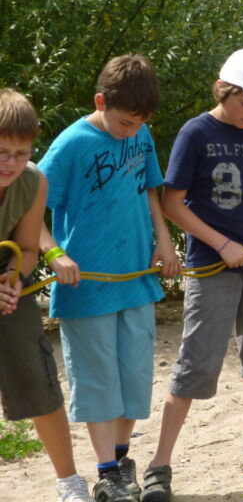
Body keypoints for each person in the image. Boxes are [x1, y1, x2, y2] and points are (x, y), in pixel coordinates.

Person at [139, 50, 243, 501]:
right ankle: (160, 464)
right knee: (196, 363)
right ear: (225, 91)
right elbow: (174, 204)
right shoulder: (196, 132)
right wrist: (222, 244)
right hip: (212, 268)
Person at [38, 55, 180, 502]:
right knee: (98, 379)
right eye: (123, 122)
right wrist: (53, 252)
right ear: (101, 102)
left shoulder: (141, 133)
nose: (131, 131)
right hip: (87, 288)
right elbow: (28, 207)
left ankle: (120, 461)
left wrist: (164, 240)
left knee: (135, 378)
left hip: (136, 277)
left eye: (139, 123)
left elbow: (150, 189)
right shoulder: (71, 144)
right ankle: (105, 473)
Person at [0, 89, 94, 502]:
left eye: (22, 152)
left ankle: (69, 483)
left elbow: (27, 248)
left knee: (39, 379)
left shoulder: (34, 180)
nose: (12, 163)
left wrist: (12, 282)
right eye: (2, 152)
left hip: (4, 279)